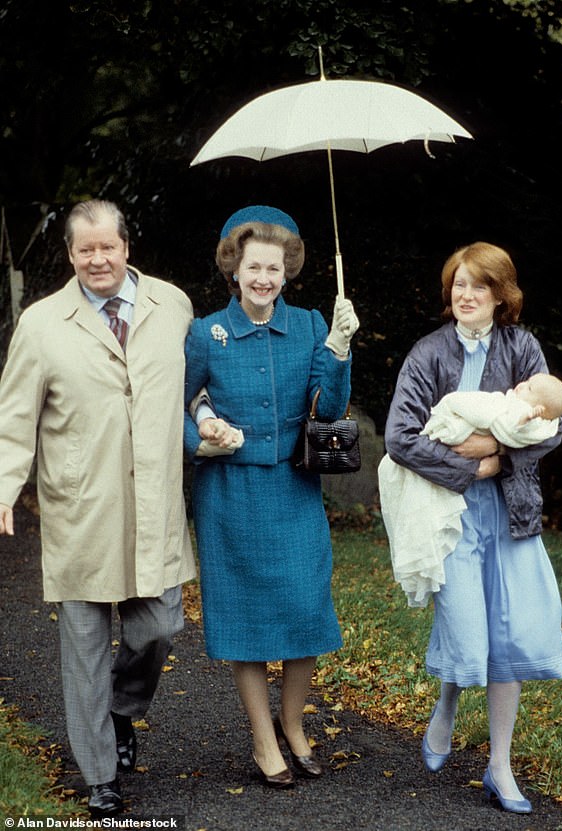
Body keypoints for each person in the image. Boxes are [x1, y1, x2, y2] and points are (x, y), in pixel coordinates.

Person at [0, 200, 196, 817]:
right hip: (81, 506)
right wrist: (3, 488)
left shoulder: (174, 306)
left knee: (161, 625)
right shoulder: (41, 324)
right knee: (84, 643)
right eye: (85, 250)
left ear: (126, 246)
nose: (98, 260)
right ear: (70, 255)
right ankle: (99, 774)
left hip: (153, 503)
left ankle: (120, 710)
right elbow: (14, 420)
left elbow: (195, 386)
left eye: (107, 247)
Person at [383, 241, 562, 815]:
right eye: (458, 285)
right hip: (451, 514)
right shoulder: (427, 353)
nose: (466, 295)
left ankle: (500, 765)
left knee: (509, 636)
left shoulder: (523, 347)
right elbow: (398, 437)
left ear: (500, 295)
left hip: (512, 512)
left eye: (478, 286)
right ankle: (447, 702)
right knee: (468, 627)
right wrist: (472, 467)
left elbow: (554, 427)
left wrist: (496, 451)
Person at [183, 205, 359, 789]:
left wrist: (337, 348)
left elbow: (328, 409)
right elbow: (172, 409)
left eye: (274, 269)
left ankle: (294, 723)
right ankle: (263, 737)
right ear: (234, 269)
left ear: (288, 271)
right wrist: (202, 440)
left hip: (293, 485)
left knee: (305, 608)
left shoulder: (310, 324)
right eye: (253, 267)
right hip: (229, 492)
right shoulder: (206, 332)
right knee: (246, 616)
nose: (263, 279)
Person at [379, 373, 562, 607]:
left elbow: (515, 426)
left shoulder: (531, 416)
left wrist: (502, 443)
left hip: (495, 494)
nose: (521, 385)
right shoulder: (510, 401)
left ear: (539, 408)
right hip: (458, 445)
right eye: (527, 382)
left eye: (529, 387)